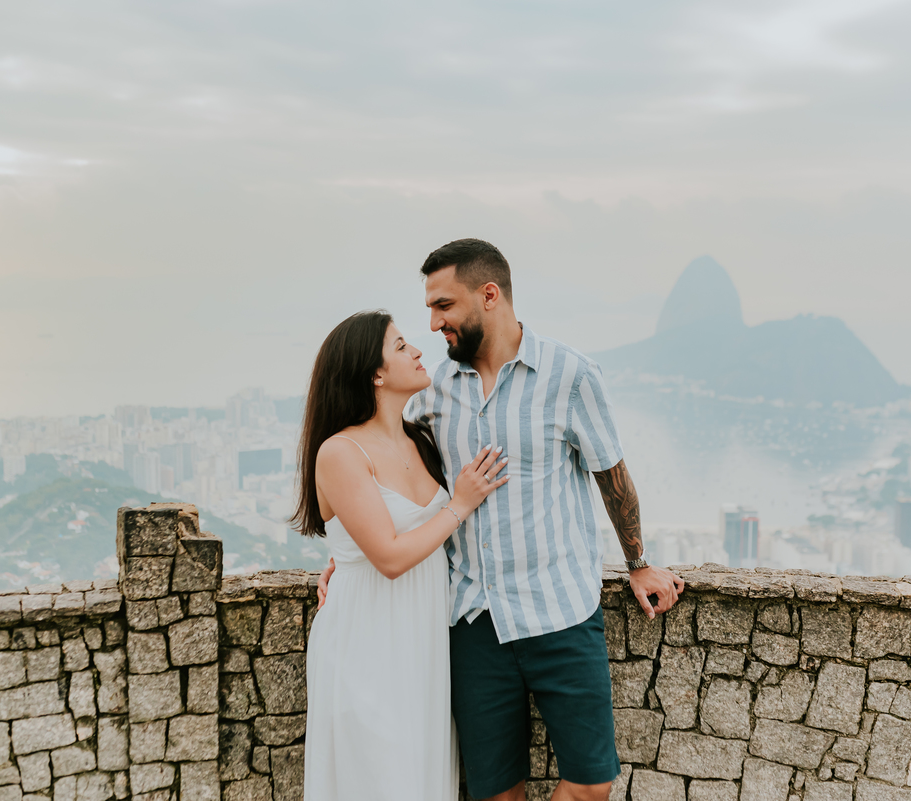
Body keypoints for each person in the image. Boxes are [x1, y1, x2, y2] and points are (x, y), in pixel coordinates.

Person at [319, 239, 686, 801]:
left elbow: (612, 473)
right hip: (473, 622)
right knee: (495, 794)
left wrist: (638, 563)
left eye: (443, 306)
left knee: (592, 784)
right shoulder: (433, 389)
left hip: (560, 611)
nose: (434, 323)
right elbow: (381, 474)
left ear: (489, 295)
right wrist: (344, 553)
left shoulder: (570, 374)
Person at [294, 310, 509, 801]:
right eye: (400, 346)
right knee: (377, 778)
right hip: (367, 641)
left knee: (420, 780)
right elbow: (388, 557)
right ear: (375, 373)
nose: (417, 351)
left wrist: (341, 560)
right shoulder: (341, 452)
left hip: (424, 644)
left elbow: (411, 537)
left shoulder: (421, 438)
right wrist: (459, 503)